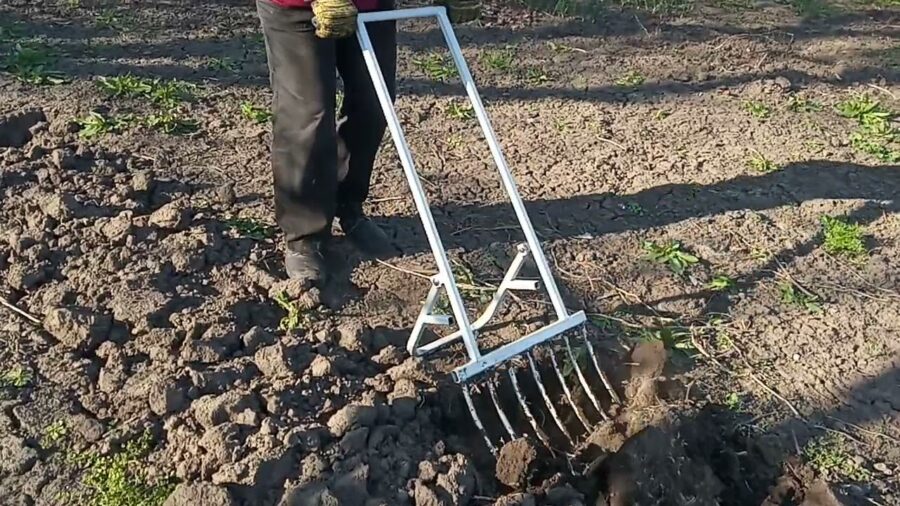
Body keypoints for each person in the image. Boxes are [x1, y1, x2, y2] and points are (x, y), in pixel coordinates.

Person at [256, 0, 480, 284]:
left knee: (374, 104)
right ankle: (304, 235)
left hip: (371, 6)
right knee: (308, 116)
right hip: (296, 9)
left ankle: (348, 206)